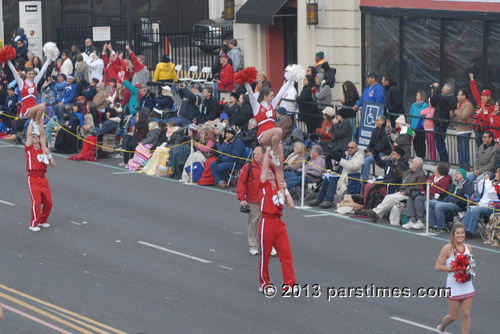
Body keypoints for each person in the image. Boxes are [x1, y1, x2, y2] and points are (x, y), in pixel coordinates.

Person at [244, 74, 293, 187]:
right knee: (279, 131)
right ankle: (273, 155)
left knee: (279, 166)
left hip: (274, 138)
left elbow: (282, 91)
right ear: (264, 96)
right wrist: (246, 82)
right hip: (263, 136)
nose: (273, 97)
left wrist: (290, 80)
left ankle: (281, 190)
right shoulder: (256, 106)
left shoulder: (272, 105)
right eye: (271, 95)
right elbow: (251, 94)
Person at [258, 148, 295, 292]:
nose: (267, 173)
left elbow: (291, 205)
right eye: (266, 172)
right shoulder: (264, 185)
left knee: (286, 255)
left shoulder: (279, 188)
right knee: (265, 256)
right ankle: (264, 282)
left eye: (270, 172)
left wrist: (285, 190)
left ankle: (289, 284)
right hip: (266, 222)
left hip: (278, 223)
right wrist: (268, 151)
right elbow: (265, 165)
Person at [435, 222, 475, 334]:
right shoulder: (447, 249)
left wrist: (469, 270)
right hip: (453, 285)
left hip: (467, 284)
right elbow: (438, 266)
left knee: (466, 314)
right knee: (453, 316)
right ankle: (441, 328)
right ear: (453, 234)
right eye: (458, 233)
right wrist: (454, 269)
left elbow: (470, 263)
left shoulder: (468, 248)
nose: (460, 235)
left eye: (462, 233)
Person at [7, 57, 51, 147]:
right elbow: (13, 71)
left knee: (42, 130)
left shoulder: (35, 82)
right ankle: (36, 125)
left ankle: (43, 149)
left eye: (33, 74)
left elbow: (43, 70)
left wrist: (49, 57)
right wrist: (7, 60)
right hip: (27, 109)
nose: (31, 75)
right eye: (29, 74)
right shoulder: (21, 83)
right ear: (26, 74)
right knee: (42, 106)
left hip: (36, 108)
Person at [365, 150, 418, 223]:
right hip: (394, 186)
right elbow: (381, 163)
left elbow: (416, 187)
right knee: (385, 195)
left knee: (391, 197)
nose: (391, 155)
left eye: (393, 154)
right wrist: (376, 154)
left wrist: (406, 192)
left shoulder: (415, 172)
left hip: (403, 190)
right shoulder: (407, 170)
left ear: (398, 156)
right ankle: (374, 212)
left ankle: (375, 212)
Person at [309, 142, 364, 209]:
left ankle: (328, 200)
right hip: (341, 175)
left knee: (333, 178)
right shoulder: (346, 154)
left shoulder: (360, 157)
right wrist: (336, 161)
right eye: (348, 147)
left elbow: (353, 167)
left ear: (356, 148)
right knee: (329, 176)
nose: (350, 149)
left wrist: (340, 160)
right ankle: (319, 198)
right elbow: (336, 168)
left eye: (352, 148)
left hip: (349, 178)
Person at [25, 121, 55, 232]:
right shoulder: (29, 148)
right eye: (33, 136)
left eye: (36, 136)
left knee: (48, 203)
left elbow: (53, 164)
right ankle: (33, 223)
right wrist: (31, 124)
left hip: (43, 178)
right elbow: (28, 135)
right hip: (33, 177)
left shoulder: (43, 149)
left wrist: (48, 154)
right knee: (36, 202)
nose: (35, 137)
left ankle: (42, 220)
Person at [404, 163, 452, 230]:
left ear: (439, 170)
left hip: (435, 198)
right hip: (426, 194)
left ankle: (421, 220)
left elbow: (438, 191)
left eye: (436, 168)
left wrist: (428, 188)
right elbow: (423, 186)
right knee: (411, 198)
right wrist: (428, 187)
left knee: (418, 199)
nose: (434, 169)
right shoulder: (432, 177)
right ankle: (412, 220)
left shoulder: (445, 181)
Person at [237, 145, 265, 255]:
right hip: (253, 199)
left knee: (269, 224)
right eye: (255, 153)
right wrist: (242, 198)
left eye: (258, 154)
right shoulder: (248, 166)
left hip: (267, 199)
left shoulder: (270, 166)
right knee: (253, 224)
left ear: (264, 155)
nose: (255, 156)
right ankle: (253, 245)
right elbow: (241, 182)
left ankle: (269, 245)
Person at [462, 169, 500, 238]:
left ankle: (470, 231)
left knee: (476, 210)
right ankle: (462, 230)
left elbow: (490, 192)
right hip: (484, 204)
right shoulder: (493, 183)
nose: (495, 175)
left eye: (497, 173)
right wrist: (484, 179)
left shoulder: (498, 185)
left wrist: (487, 180)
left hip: (493, 206)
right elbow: (480, 188)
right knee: (469, 208)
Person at [467, 131, 500, 197]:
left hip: (489, 171)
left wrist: (480, 171)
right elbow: (477, 159)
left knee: (479, 179)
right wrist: (475, 169)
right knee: (467, 178)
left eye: (485, 137)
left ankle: (478, 199)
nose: (483, 139)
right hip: (478, 170)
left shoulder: (495, 149)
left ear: (490, 139)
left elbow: (492, 165)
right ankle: (470, 197)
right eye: (483, 137)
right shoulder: (481, 146)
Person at [361, 115, 392, 180]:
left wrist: (373, 153)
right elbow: (371, 143)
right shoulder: (375, 131)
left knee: (367, 160)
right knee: (362, 158)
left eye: (377, 120)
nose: (376, 121)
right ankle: (360, 177)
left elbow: (383, 144)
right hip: (375, 151)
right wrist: (368, 150)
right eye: (376, 120)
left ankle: (364, 180)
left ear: (383, 122)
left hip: (383, 152)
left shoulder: (385, 131)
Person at [431, 82, 456, 162]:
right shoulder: (442, 98)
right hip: (438, 123)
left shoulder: (448, 99)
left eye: (443, 88)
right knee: (438, 143)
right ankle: (443, 160)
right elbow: (434, 102)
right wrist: (432, 92)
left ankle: (444, 161)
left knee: (440, 143)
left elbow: (437, 97)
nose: (441, 89)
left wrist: (435, 88)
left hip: (442, 124)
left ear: (448, 91)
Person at [469, 72, 494, 148]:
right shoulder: (479, 102)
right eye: (482, 95)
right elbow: (474, 92)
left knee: (484, 147)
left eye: (484, 96)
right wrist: (472, 80)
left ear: (488, 97)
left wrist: (481, 113)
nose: (482, 97)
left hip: (484, 130)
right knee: (478, 147)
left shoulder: (491, 107)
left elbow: (487, 119)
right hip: (477, 128)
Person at [453, 88, 475, 167]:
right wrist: (452, 109)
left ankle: (466, 165)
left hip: (465, 130)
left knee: (464, 149)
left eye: (459, 95)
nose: (457, 96)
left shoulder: (468, 105)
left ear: (464, 96)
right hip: (458, 129)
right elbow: (452, 115)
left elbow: (463, 116)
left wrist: (455, 110)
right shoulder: (458, 104)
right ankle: (461, 164)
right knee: (459, 149)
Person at [409, 90, 429, 159]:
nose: (416, 96)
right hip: (413, 128)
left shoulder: (425, 105)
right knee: (415, 144)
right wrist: (411, 125)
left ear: (421, 96)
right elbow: (410, 115)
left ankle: (422, 157)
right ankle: (417, 156)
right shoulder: (413, 105)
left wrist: (420, 126)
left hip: (420, 129)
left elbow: (424, 117)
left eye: (418, 95)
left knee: (421, 143)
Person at [421, 96, 438, 160]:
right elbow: (422, 112)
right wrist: (428, 112)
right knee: (429, 145)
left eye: (429, 102)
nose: (428, 103)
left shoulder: (434, 110)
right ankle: (431, 158)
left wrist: (427, 112)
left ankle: (433, 159)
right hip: (426, 129)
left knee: (432, 145)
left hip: (431, 129)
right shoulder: (428, 109)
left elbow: (430, 116)